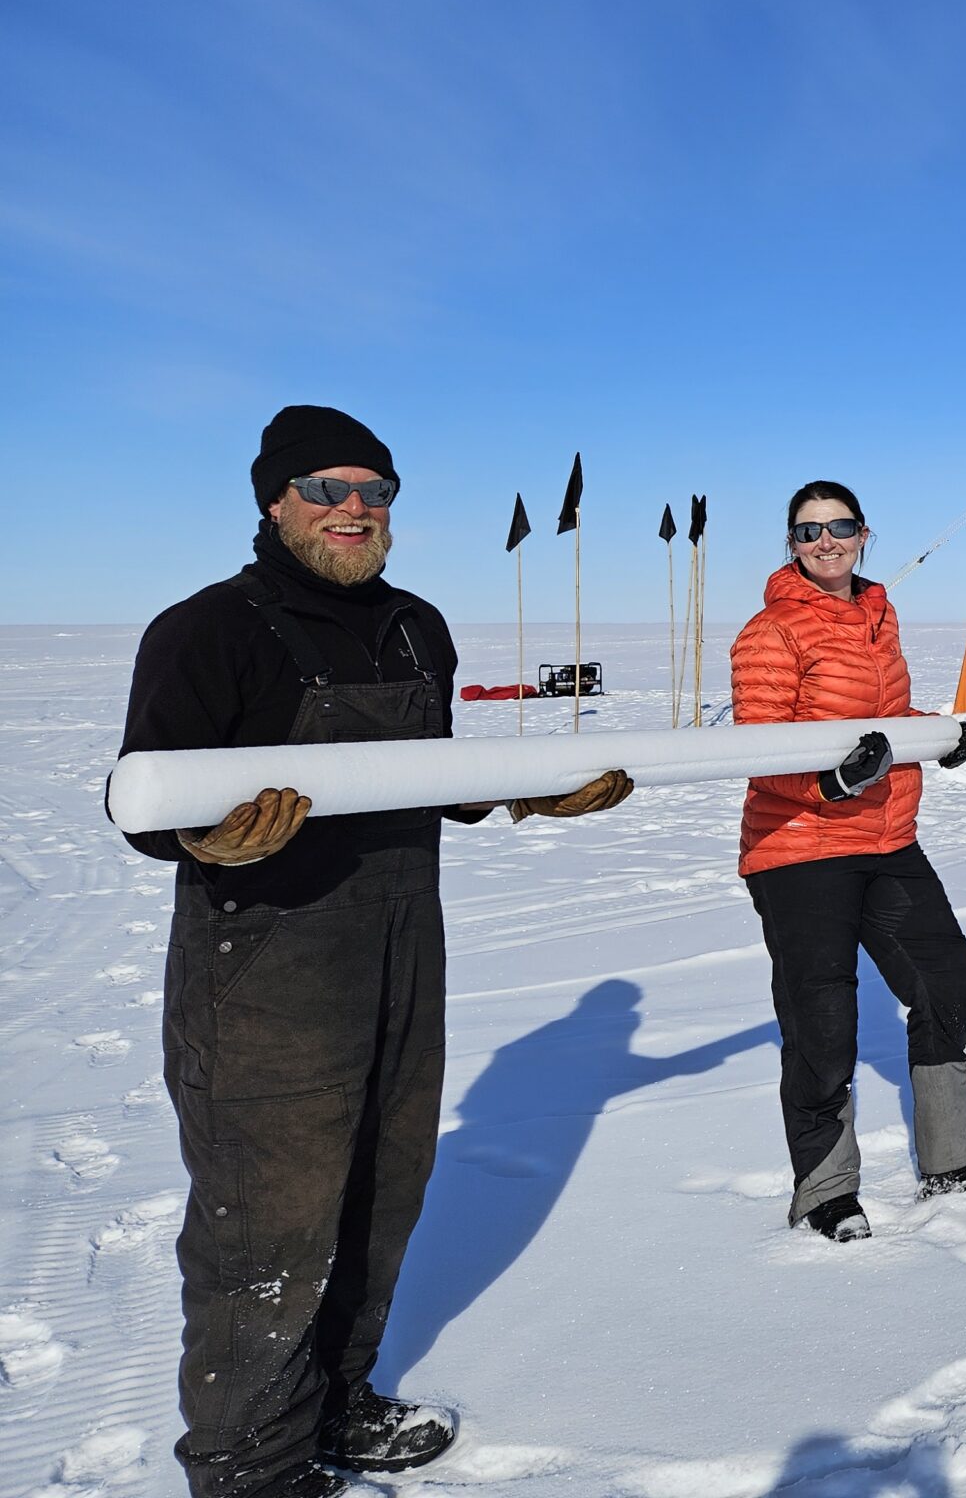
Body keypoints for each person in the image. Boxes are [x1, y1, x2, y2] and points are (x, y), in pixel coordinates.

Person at [115, 406, 632, 1498]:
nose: (353, 510)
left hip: (402, 951)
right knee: (270, 1227)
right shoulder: (207, 630)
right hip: (264, 974)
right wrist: (198, 835)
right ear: (273, 501)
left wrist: (524, 791)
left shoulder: (415, 628)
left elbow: (422, 780)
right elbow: (144, 797)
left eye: (375, 492)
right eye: (325, 489)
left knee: (383, 1195)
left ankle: (338, 1403)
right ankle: (251, 1470)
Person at [730, 479, 966, 1242]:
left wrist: (938, 734)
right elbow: (758, 749)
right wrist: (828, 782)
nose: (825, 542)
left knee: (947, 985)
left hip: (887, 839)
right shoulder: (770, 632)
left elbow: (882, 716)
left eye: (839, 527)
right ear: (790, 545)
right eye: (808, 532)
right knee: (824, 1023)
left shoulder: (876, 613)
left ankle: (956, 1158)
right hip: (798, 849)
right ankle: (826, 1190)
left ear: (865, 534)